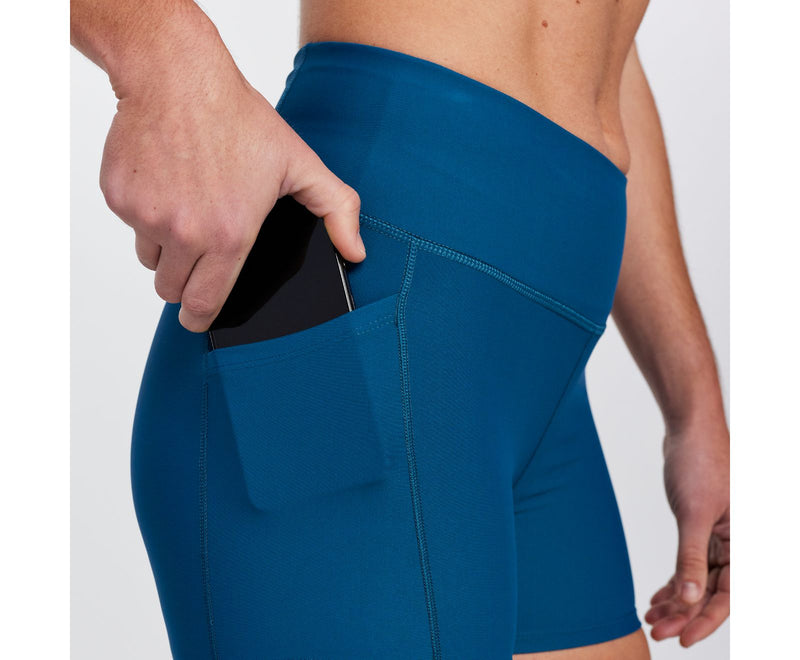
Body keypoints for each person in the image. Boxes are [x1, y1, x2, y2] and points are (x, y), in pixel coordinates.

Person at [70, 0, 730, 658]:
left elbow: (598, 50)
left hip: (535, 372)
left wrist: (695, 410)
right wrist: (166, 60)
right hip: (360, 313)